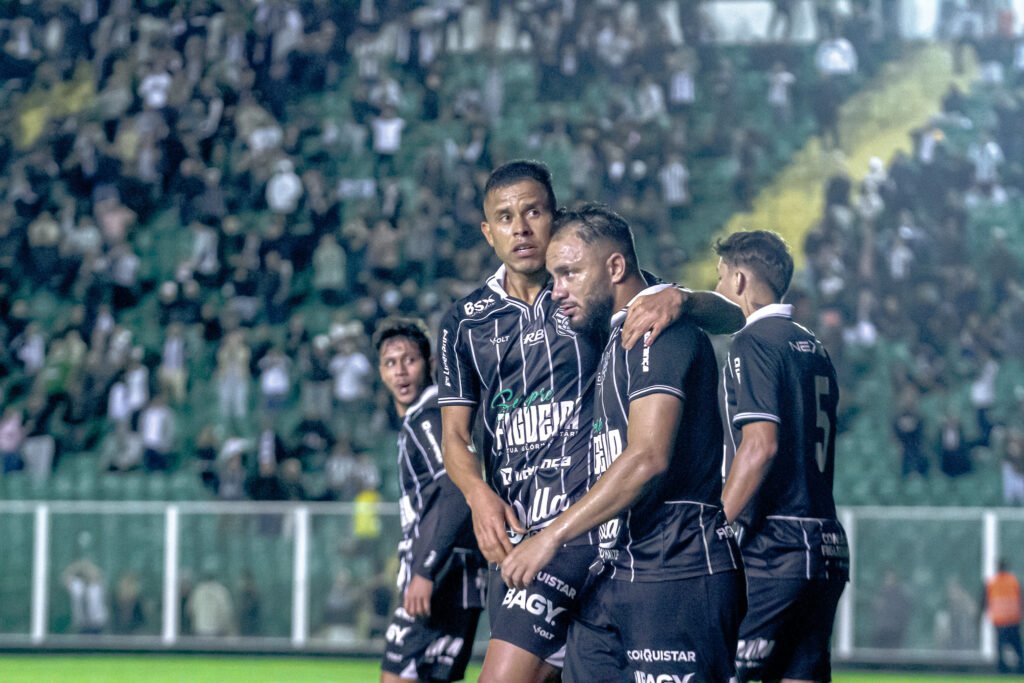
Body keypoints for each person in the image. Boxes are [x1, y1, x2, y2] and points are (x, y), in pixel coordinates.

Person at [438, 160, 743, 682]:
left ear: (553, 218)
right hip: (521, 533)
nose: (522, 227)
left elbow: (730, 316)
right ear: (488, 233)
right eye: (506, 217)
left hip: (586, 527)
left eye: (534, 212)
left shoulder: (594, 295)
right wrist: (477, 494)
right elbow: (455, 438)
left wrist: (682, 297)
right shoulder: (467, 323)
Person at [714, 230, 850, 683]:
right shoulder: (814, 346)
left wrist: (716, 528)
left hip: (776, 545)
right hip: (826, 546)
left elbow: (760, 445)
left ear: (738, 280)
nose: (717, 291)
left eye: (719, 279)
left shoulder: (753, 341)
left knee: (722, 670)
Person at [376, 317, 486, 683]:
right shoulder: (423, 419)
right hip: (453, 575)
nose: (401, 372)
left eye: (410, 360)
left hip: (442, 576)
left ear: (430, 364)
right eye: (390, 363)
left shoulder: (428, 416)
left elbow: (457, 488)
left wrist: (425, 570)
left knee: (397, 676)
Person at [983, 558, 1023, 674]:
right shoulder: (1013, 581)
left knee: (1000, 647)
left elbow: (985, 600)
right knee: (1017, 646)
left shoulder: (992, 582)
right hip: (1013, 620)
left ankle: (1002, 669)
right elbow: (1021, 599)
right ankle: (1021, 668)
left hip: (999, 621)